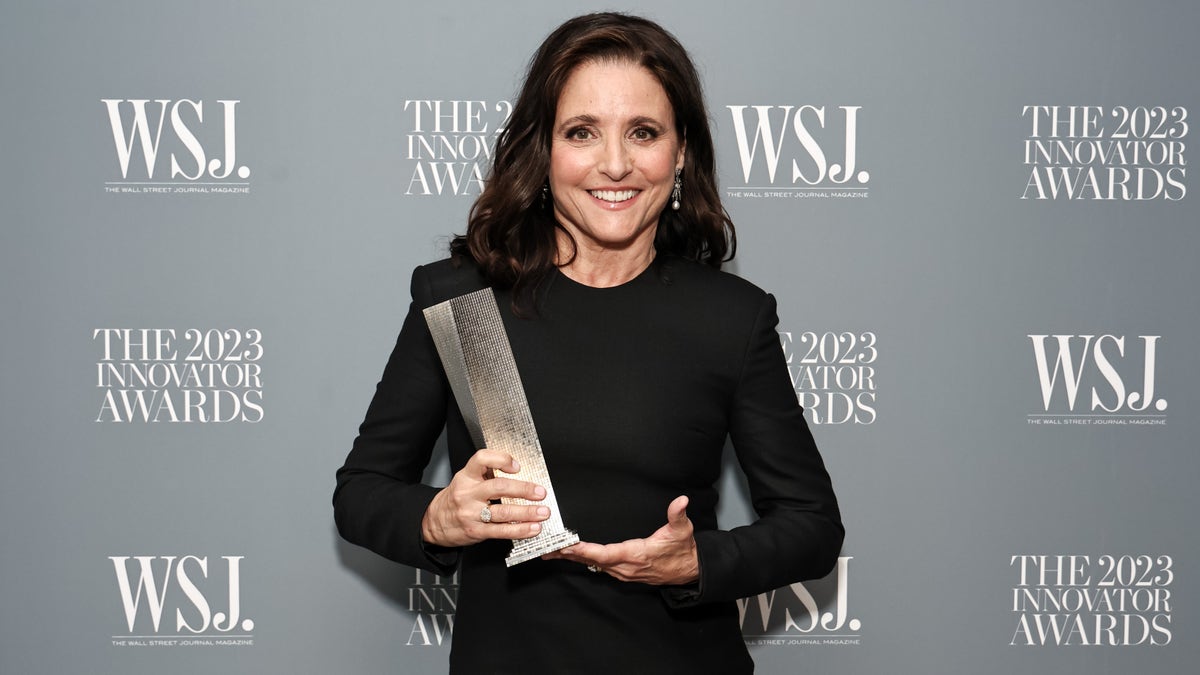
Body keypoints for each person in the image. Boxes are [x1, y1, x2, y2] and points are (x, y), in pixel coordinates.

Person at [334, 12, 843, 673]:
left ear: (682, 149)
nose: (615, 164)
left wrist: (698, 561)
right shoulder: (467, 303)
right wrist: (437, 517)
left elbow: (812, 525)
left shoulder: (730, 318)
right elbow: (362, 492)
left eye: (644, 132)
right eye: (582, 132)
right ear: (543, 149)